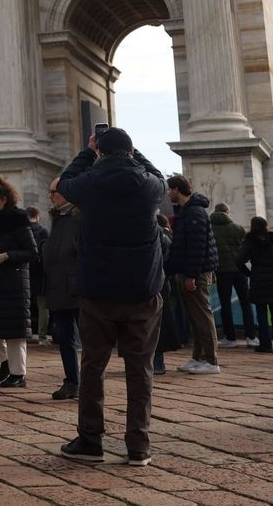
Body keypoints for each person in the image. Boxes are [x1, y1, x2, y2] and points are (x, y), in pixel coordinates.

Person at [55, 127, 166, 467]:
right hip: (142, 291)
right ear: (131, 152)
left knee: (93, 366)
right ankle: (139, 445)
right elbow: (159, 174)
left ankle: (91, 440)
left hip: (99, 291)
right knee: (140, 370)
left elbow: (64, 183)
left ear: (100, 152)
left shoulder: (89, 182)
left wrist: (87, 152)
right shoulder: (150, 186)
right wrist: (134, 151)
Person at [0, 176, 36, 389]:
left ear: (4, 200)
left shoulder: (18, 219)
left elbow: (32, 252)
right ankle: (5, 363)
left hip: (15, 282)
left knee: (15, 332)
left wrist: (7, 256)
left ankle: (18, 373)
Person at [165, 175, 219, 374]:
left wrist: (191, 275)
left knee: (202, 316)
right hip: (189, 271)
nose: (168, 193)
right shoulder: (187, 211)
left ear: (177, 190)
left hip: (196, 273)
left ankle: (211, 360)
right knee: (195, 317)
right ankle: (198, 357)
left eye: (169, 189)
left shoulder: (194, 212)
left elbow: (197, 247)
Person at [44, 178, 82, 400]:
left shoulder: (81, 216)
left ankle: (88, 381)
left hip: (77, 285)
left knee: (88, 337)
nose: (51, 197)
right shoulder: (57, 217)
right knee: (64, 337)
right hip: (58, 285)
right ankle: (72, 380)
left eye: (54, 192)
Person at [237, 216, 273, 353]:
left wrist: (249, 273)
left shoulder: (250, 241)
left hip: (258, 281)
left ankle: (265, 345)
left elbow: (239, 260)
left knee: (261, 314)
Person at [209, 201, 255, 346]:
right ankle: (251, 337)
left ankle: (230, 338)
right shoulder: (238, 228)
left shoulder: (210, 229)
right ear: (227, 212)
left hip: (221, 271)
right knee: (245, 303)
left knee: (225, 305)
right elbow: (246, 248)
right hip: (239, 270)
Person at [151, 213, 176, 376]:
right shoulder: (161, 233)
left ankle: (155, 362)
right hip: (157, 281)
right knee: (156, 323)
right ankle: (156, 362)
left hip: (148, 282)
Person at [26, 205, 49, 343]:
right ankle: (42, 336)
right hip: (40, 274)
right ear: (38, 216)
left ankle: (26, 334)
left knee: (25, 305)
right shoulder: (43, 231)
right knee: (42, 306)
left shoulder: (23, 231)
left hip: (24, 273)